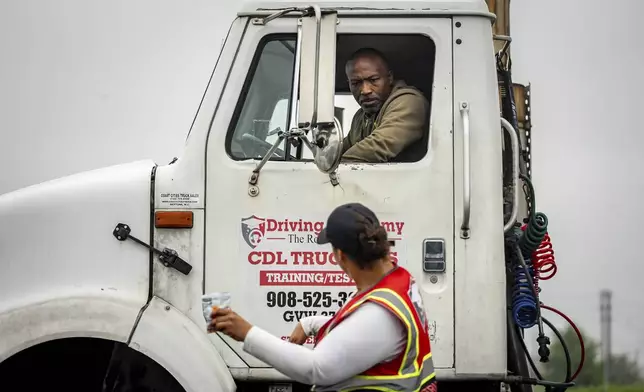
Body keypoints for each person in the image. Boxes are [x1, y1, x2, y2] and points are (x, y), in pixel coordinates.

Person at [208, 202, 437, 392]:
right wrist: (311, 323)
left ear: (340, 255)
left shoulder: (380, 314)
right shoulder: (397, 279)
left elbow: (315, 368)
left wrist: (246, 333)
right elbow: (358, 329)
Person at [341, 48, 430, 163]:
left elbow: (378, 146)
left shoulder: (409, 101)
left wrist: (333, 170)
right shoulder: (361, 116)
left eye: (373, 80)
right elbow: (346, 147)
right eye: (356, 83)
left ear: (389, 78)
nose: (365, 90)